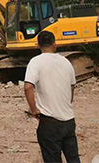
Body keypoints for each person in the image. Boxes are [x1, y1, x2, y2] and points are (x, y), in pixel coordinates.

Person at [24, 31, 80, 163]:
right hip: (68, 121)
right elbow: (72, 86)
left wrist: (34, 109)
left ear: (38, 45)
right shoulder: (66, 62)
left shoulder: (36, 62)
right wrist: (66, 103)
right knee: (73, 159)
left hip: (49, 122)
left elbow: (28, 87)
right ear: (54, 44)